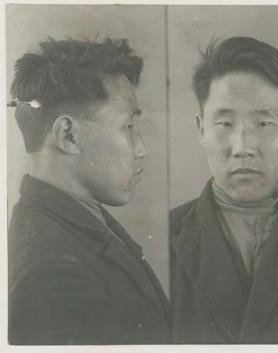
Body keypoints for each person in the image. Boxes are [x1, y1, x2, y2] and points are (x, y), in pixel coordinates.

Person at [169, 37, 278, 343]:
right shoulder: (165, 237)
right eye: (224, 123)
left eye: (263, 124)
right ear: (201, 130)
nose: (243, 147)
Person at [8, 38, 170, 344]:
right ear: (68, 136)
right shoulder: (52, 275)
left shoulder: (71, 222)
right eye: (128, 127)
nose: (141, 149)